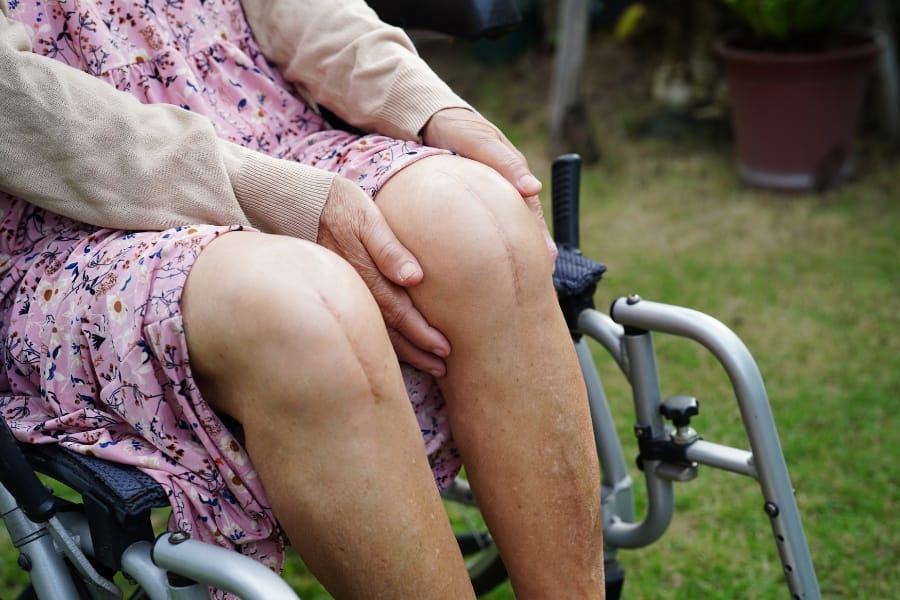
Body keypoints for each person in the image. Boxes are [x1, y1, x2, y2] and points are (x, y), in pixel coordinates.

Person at [0, 0, 604, 597]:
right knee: (301, 313)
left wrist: (424, 104)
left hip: (267, 128)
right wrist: (262, 190)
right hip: (67, 213)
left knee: (480, 226)